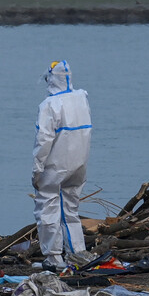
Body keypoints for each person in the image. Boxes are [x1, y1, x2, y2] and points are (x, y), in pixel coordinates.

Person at [32, 60, 93, 272]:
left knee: (47, 208)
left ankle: (54, 256)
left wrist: (37, 169)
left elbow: (43, 140)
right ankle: (77, 252)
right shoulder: (81, 98)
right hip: (79, 163)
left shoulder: (49, 105)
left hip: (55, 165)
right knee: (71, 208)